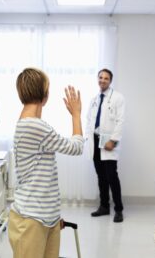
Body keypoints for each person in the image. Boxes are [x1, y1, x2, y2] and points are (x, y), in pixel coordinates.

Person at [8, 68, 84, 258]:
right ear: (45, 94)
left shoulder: (28, 122)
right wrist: (76, 114)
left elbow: (42, 173)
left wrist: (53, 215)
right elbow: (76, 147)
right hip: (31, 219)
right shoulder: (35, 126)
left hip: (45, 216)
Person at [86, 68, 125, 223]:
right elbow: (89, 119)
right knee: (101, 176)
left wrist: (113, 140)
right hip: (95, 141)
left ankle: (119, 210)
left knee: (112, 177)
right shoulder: (95, 99)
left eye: (106, 78)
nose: (102, 80)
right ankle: (104, 207)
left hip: (108, 141)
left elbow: (120, 120)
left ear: (110, 81)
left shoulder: (117, 98)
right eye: (100, 77)